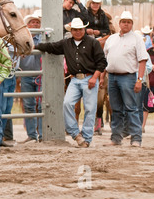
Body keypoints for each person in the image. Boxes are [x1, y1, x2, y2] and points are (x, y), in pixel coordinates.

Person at [35, 18, 107, 147]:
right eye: (75, 30)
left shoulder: (93, 42)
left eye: (80, 29)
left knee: (90, 109)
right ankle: (75, 134)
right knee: (67, 104)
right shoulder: (66, 43)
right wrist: (35, 46)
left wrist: (94, 78)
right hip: (74, 79)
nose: (78, 32)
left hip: (89, 78)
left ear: (84, 30)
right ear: (71, 31)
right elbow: (51, 47)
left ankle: (86, 138)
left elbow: (102, 62)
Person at [102, 11, 149, 147]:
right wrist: (101, 77)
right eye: (123, 21)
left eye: (128, 22)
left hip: (128, 76)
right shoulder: (112, 39)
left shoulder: (136, 39)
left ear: (131, 24)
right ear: (119, 23)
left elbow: (142, 60)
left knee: (131, 108)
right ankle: (116, 138)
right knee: (115, 109)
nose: (126, 24)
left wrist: (139, 79)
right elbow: (105, 59)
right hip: (112, 76)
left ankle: (136, 138)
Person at [19, 10, 43, 143]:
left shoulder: (43, 37)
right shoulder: (23, 38)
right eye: (32, 22)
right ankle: (32, 135)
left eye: (37, 22)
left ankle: (42, 134)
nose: (35, 24)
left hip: (40, 75)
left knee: (41, 105)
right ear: (28, 25)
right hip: (26, 74)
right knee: (28, 105)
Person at [142, 35, 154, 133]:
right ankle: (142, 126)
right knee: (146, 106)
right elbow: (143, 64)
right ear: (153, 44)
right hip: (149, 83)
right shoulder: (147, 53)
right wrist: (151, 66)